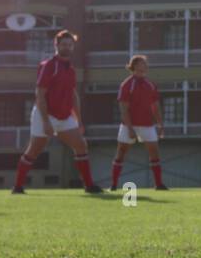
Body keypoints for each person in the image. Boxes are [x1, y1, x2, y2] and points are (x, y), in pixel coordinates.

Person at [12, 30, 101, 194]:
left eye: (70, 45)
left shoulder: (71, 69)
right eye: (63, 44)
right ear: (56, 45)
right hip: (44, 114)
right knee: (34, 150)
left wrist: (79, 120)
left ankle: (89, 186)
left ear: (73, 47)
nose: (67, 47)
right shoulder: (48, 66)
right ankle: (17, 186)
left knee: (81, 145)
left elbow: (73, 95)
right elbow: (40, 94)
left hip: (65, 116)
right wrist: (46, 121)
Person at [111, 55, 167, 191]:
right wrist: (130, 129)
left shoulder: (150, 84)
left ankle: (159, 184)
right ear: (134, 66)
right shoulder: (127, 84)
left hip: (147, 125)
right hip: (129, 125)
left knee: (154, 152)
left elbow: (155, 106)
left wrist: (160, 125)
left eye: (145, 63)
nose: (145, 65)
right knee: (121, 153)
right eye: (142, 63)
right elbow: (123, 108)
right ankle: (113, 185)